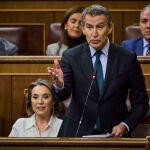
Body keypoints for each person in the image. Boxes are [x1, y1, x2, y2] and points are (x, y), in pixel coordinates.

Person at [47, 4, 149, 137]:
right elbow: (62, 95)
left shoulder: (127, 58)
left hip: (114, 133)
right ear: (83, 29)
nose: (94, 33)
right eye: (89, 27)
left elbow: (141, 102)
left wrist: (125, 125)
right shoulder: (71, 56)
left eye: (100, 27)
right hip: (76, 132)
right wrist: (60, 85)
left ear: (110, 28)